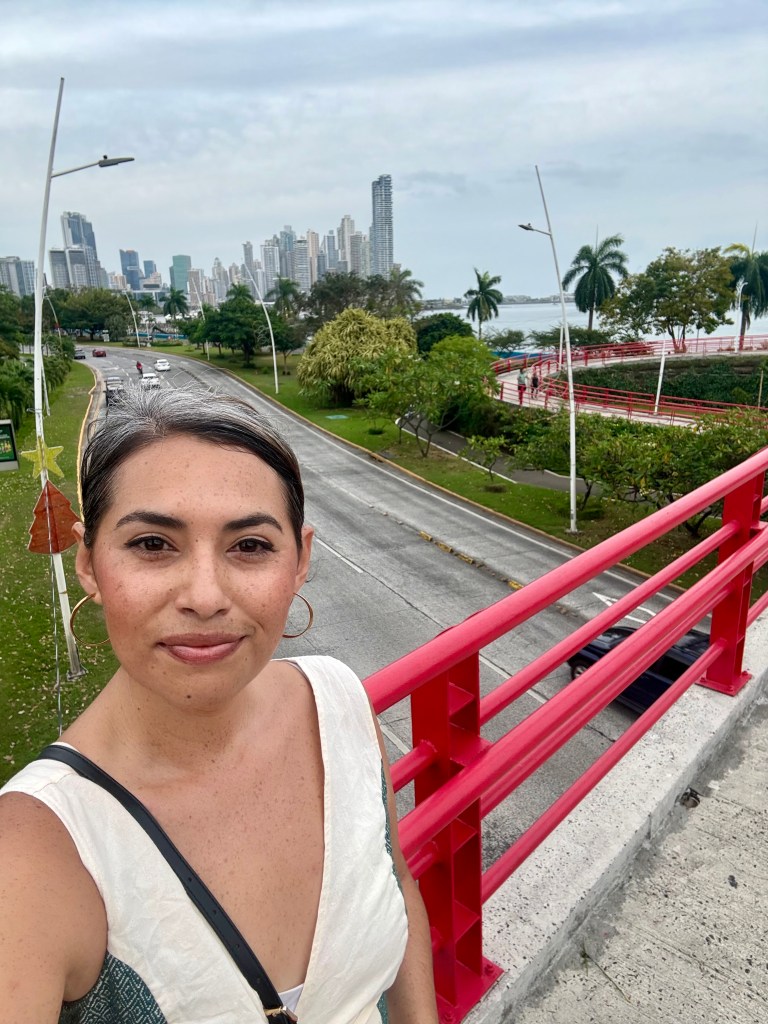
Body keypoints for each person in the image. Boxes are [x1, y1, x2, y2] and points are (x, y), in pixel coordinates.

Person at [0, 387, 438, 1024]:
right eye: (153, 544)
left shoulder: (339, 704)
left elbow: (396, 881)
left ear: (300, 561)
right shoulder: (33, 856)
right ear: (89, 563)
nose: (205, 597)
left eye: (250, 546)